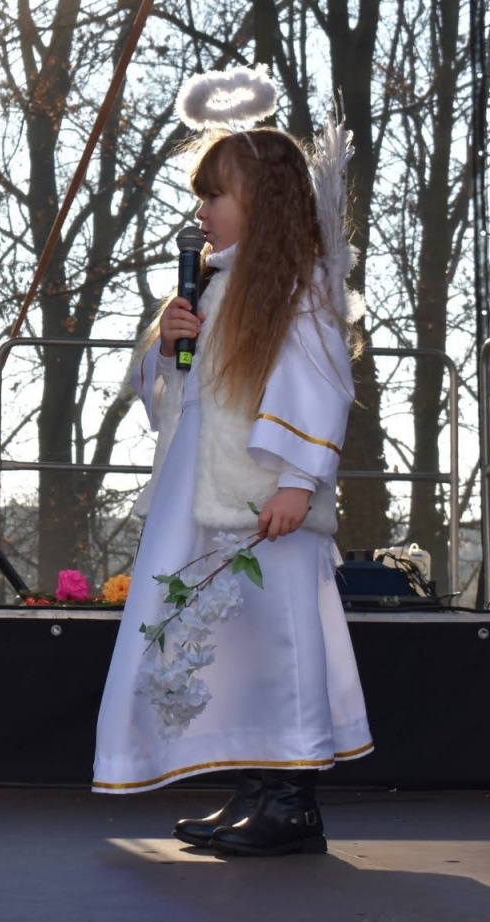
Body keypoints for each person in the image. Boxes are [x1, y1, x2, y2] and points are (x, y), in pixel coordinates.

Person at [91, 127, 373, 857]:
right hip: (199, 491)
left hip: (263, 499)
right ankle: (254, 782)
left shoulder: (295, 286)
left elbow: (319, 384)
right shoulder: (211, 284)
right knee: (227, 642)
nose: (204, 211)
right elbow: (174, 400)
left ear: (263, 201)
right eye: (202, 196)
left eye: (217, 195)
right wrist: (166, 342)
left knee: (279, 636)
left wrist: (297, 481)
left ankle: (291, 800)